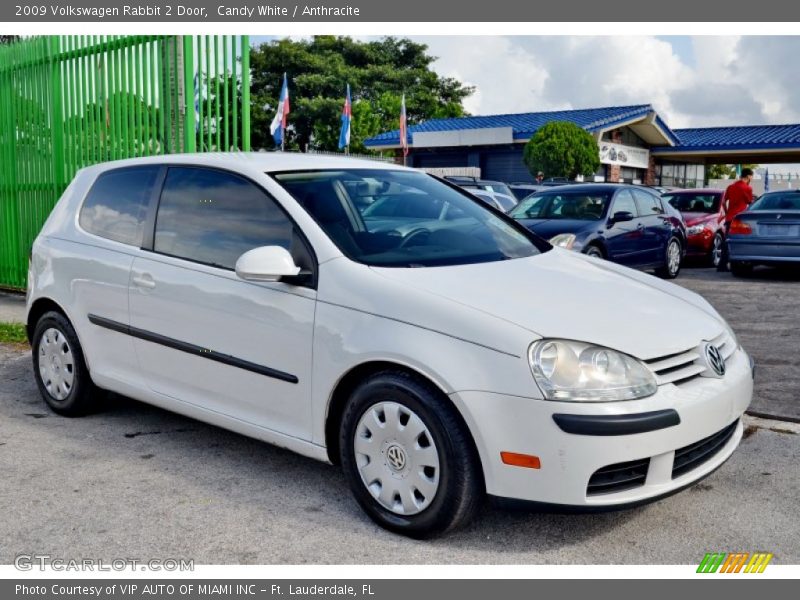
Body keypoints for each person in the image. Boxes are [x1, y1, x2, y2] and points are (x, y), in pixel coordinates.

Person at [717, 167, 754, 271]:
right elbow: (750, 203)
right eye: (752, 177)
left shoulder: (731, 186)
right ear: (748, 177)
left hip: (729, 218)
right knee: (740, 241)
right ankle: (741, 264)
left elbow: (724, 202)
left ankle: (722, 265)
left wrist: (727, 212)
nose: (752, 179)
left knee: (726, 242)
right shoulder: (747, 188)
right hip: (740, 219)